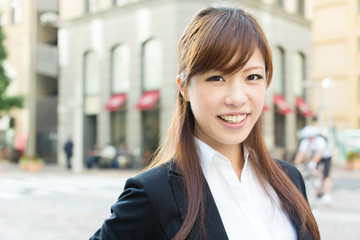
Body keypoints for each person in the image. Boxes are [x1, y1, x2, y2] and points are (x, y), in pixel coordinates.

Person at [90, 5, 319, 240]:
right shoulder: (153, 194)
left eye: (253, 77)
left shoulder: (290, 179)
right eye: (217, 78)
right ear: (184, 87)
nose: (237, 98)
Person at [294, 125, 332, 204]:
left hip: (325, 157)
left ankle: (328, 194)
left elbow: (319, 153)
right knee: (314, 174)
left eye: (310, 137)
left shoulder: (319, 140)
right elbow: (300, 154)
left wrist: (313, 163)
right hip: (316, 156)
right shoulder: (305, 141)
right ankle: (318, 188)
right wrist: (295, 165)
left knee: (325, 176)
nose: (309, 139)